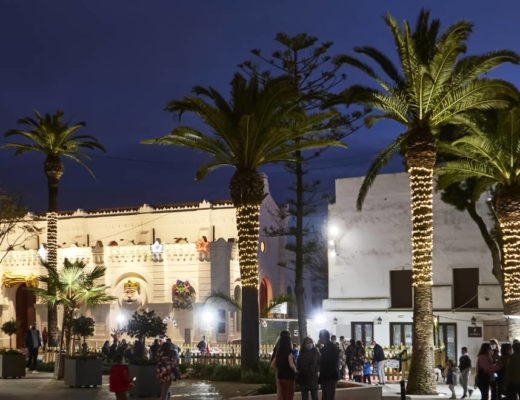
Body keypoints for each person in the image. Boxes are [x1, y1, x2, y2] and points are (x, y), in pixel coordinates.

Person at [271, 334, 296, 400]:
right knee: (289, 396)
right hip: (289, 378)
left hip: (280, 377)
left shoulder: (278, 353)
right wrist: (296, 371)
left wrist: (279, 369)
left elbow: (272, 365)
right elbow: (291, 365)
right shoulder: (289, 353)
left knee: (282, 396)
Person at [318, 329, 339, 400]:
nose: (319, 339)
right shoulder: (330, 347)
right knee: (326, 396)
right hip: (328, 377)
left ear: (322, 338)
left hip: (329, 377)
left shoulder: (329, 348)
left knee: (328, 397)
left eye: (319, 337)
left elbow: (327, 363)